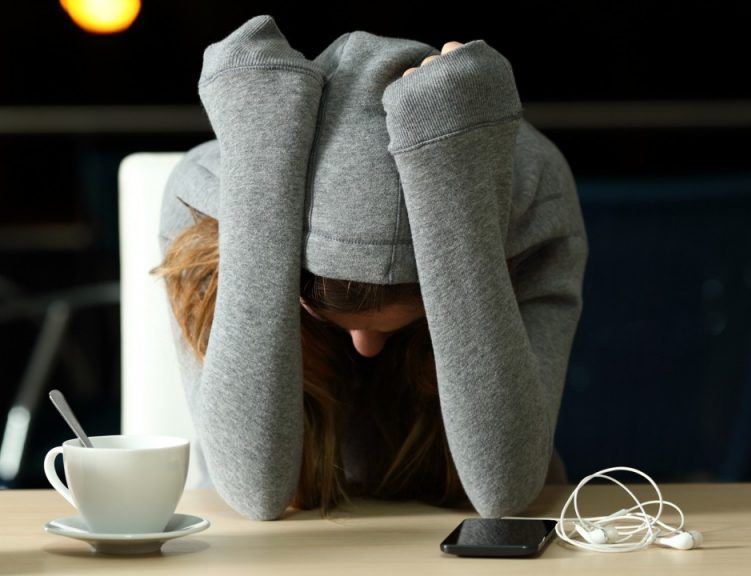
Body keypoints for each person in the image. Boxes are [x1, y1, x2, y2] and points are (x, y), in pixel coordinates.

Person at [155, 14, 588, 521]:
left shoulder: (532, 203)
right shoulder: (205, 211)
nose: (365, 349)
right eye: (330, 318)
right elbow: (255, 490)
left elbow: (504, 491)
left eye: (408, 318)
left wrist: (455, 192)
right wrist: (262, 180)